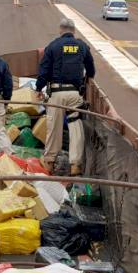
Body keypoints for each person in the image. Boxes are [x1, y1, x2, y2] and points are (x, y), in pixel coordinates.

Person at [35, 18, 95, 176]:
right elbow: (91, 69)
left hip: (57, 93)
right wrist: (87, 77)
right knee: (76, 126)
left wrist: (38, 88)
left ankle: (49, 162)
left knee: (54, 127)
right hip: (75, 94)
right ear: (73, 31)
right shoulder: (82, 46)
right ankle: (76, 164)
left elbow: (44, 70)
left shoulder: (53, 46)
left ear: (60, 30)